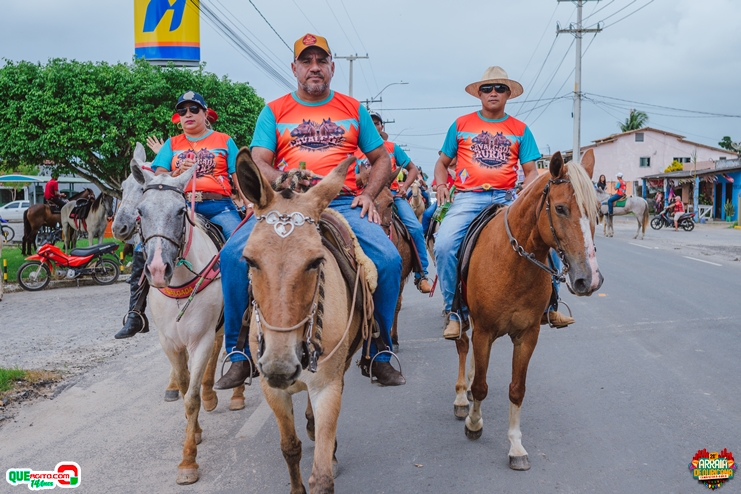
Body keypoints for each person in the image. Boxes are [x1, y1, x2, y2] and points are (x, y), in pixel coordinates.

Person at [217, 33, 405, 387]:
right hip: (286, 203)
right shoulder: (274, 111)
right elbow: (259, 161)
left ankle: (378, 349)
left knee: (389, 260)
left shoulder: (354, 109)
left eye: (321, 61)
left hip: (340, 201)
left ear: (332, 67)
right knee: (231, 256)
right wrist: (281, 177)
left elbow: (382, 159)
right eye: (306, 61)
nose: (314, 67)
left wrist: (369, 194)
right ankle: (238, 352)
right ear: (295, 68)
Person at [433, 66, 574, 340]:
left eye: (500, 88)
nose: (493, 92)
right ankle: (455, 312)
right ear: (479, 94)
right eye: (487, 88)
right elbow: (442, 163)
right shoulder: (460, 125)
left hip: (506, 198)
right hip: (468, 197)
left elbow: (531, 171)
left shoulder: (520, 129)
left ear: (508, 94)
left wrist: (525, 194)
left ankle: (551, 306)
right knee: (444, 245)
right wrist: (440, 185)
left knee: (549, 239)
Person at [116, 91, 248, 340]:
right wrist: (177, 171)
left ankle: (246, 313)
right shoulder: (172, 144)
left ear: (205, 113)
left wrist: (249, 203)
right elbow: (158, 176)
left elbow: (236, 176)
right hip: (179, 206)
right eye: (182, 110)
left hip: (219, 206)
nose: (188, 114)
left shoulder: (224, 140)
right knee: (143, 246)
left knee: (241, 249)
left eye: (194, 109)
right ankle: (135, 313)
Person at [356, 111, 432, 293]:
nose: (374, 126)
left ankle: (421, 273)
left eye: (377, 123)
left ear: (382, 127)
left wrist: (405, 186)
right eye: (370, 122)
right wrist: (362, 177)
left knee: (415, 227)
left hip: (391, 195)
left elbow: (412, 169)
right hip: (363, 196)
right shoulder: (354, 149)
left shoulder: (392, 148)